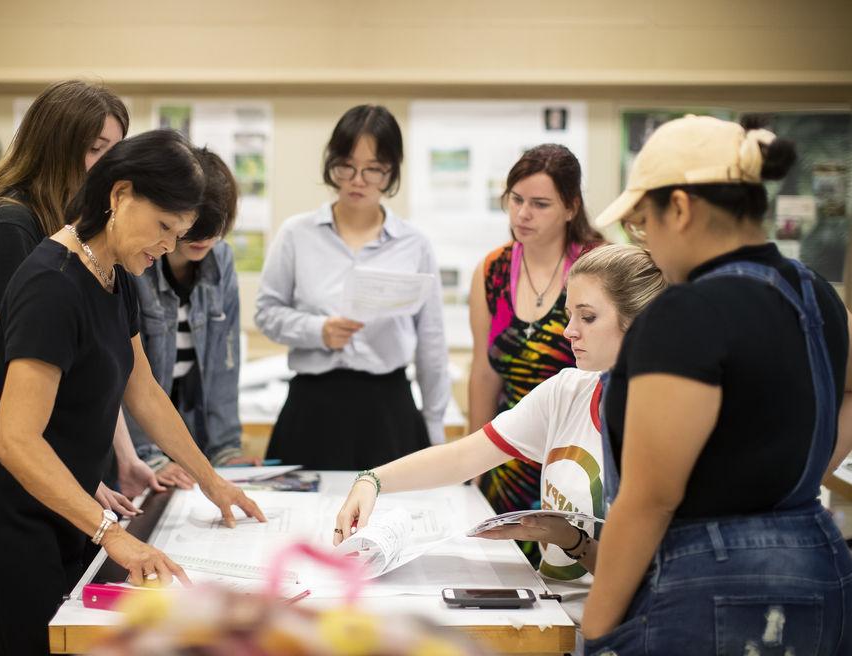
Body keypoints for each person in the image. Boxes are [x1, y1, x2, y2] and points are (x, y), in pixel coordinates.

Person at [0, 130, 266, 656]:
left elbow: (144, 392)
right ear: (119, 195)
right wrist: (110, 533)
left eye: (176, 234)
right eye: (163, 227)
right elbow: (15, 441)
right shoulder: (53, 283)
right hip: (4, 511)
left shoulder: (115, 274)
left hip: (63, 503)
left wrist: (213, 482)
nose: (166, 246)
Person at [582, 115, 852, 654]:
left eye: (643, 223)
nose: (645, 243)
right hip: (822, 566)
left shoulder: (687, 311)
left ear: (679, 208)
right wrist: (792, 480)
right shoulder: (815, 294)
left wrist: (597, 628)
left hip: (712, 586)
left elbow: (650, 499)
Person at [335, 244, 666, 626]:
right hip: (553, 618)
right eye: (568, 314)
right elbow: (464, 457)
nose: (568, 331)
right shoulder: (569, 390)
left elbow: (646, 579)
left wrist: (570, 539)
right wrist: (372, 481)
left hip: (615, 633)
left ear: (640, 323)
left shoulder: (665, 425)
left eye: (587, 317)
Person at [0, 79, 159, 514]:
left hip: (67, 467)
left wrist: (124, 456)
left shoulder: (80, 230)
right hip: (16, 477)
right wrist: (75, 474)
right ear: (55, 145)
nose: (108, 166)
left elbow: (97, 365)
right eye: (94, 148)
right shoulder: (10, 226)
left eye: (114, 150)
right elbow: (16, 367)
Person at [255, 105, 450, 470]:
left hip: (388, 406)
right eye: (346, 165)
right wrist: (318, 331)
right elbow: (267, 313)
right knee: (303, 519)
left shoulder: (414, 243)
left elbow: (432, 341)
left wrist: (435, 425)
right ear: (332, 164)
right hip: (314, 405)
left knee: (394, 518)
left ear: (390, 172)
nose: (358, 180)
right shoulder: (297, 234)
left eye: (373, 169)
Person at [469, 144, 603, 564]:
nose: (522, 214)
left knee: (569, 581)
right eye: (516, 199)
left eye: (540, 204)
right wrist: (475, 467)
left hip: (578, 456)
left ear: (570, 207)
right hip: (508, 454)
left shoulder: (598, 264)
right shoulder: (492, 268)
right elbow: (485, 371)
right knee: (502, 580)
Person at [126, 147, 259, 483]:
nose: (206, 240)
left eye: (218, 229)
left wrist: (226, 451)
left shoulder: (221, 259)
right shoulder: (138, 265)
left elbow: (224, 364)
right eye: (197, 228)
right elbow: (129, 379)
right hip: (136, 446)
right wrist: (150, 458)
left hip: (186, 435)